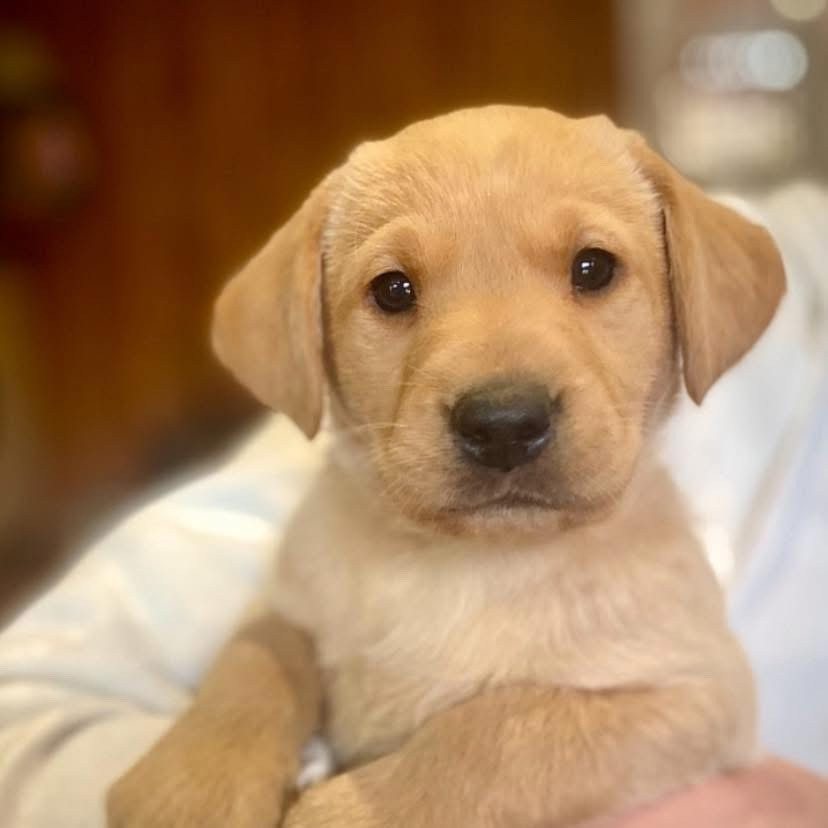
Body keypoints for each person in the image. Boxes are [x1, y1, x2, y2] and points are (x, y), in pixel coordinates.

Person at [1, 183, 826, 827]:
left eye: (592, 270)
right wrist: (239, 716)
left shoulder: (653, 548)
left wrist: (436, 789)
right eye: (394, 292)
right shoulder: (324, 518)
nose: (503, 398)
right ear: (309, 341)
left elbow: (700, 708)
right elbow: (287, 623)